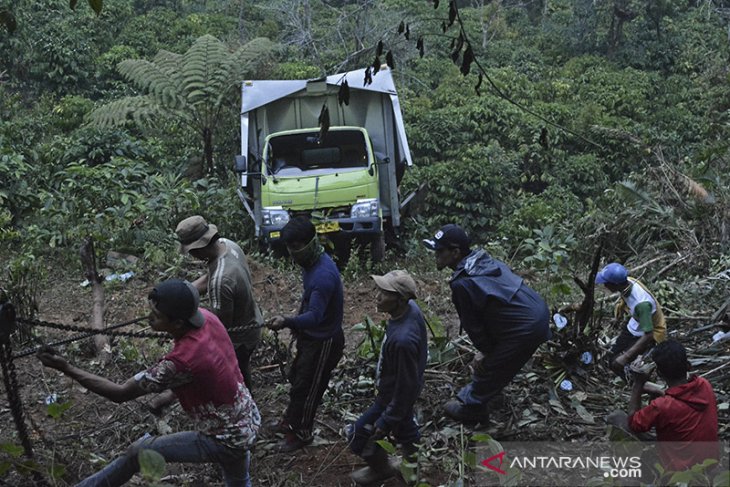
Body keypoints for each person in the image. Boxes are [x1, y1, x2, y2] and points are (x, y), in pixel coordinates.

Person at [37, 279, 261, 487]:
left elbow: (120, 393)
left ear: (178, 322)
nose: (148, 318)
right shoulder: (206, 318)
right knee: (239, 479)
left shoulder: (180, 362)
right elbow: (210, 369)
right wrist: (171, 394)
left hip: (225, 437)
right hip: (245, 417)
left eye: (156, 315)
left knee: (139, 452)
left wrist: (66, 367)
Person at [423, 223, 551, 425]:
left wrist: (484, 352)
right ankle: (492, 395)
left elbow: (475, 328)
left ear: (455, 252)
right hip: (538, 311)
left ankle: (471, 405)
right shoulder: (485, 260)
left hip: (526, 325)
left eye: (440, 251)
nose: (435, 256)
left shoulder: (462, 283)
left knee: (489, 365)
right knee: (501, 359)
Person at [267, 216, 345, 452]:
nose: (292, 252)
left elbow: (315, 316)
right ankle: (291, 421)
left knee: (310, 388)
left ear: (310, 243)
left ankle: (302, 433)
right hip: (312, 337)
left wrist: (287, 321)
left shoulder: (322, 276)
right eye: (289, 247)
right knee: (299, 382)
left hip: (323, 341)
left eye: (296, 246)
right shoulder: (312, 263)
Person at [348, 270, 428, 485]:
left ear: (401, 299)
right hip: (396, 392)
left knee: (359, 436)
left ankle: (385, 470)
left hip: (393, 396)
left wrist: (388, 417)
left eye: (385, 293)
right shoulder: (410, 310)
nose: (377, 296)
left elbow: (406, 385)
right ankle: (409, 474)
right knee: (406, 430)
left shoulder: (403, 340)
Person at [175, 215, 262, 390]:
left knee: (234, 377)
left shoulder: (221, 282)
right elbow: (212, 275)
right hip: (253, 320)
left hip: (240, 338)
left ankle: (244, 405)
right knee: (242, 371)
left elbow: (220, 327)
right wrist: (183, 294)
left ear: (197, 250)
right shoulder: (227, 245)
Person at [606, 340, 720, 471]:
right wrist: (660, 392)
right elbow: (680, 397)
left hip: (680, 471)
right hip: (709, 465)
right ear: (688, 366)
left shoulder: (662, 406)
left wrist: (638, 384)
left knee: (616, 417)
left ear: (659, 373)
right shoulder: (704, 384)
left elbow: (634, 424)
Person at [595, 262, 666, 379]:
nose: (605, 285)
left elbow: (649, 335)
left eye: (606, 283)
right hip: (634, 325)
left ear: (614, 285)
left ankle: (637, 383)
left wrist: (626, 357)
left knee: (617, 364)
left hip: (647, 334)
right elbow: (624, 299)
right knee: (610, 357)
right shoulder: (628, 282)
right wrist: (618, 317)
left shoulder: (642, 304)